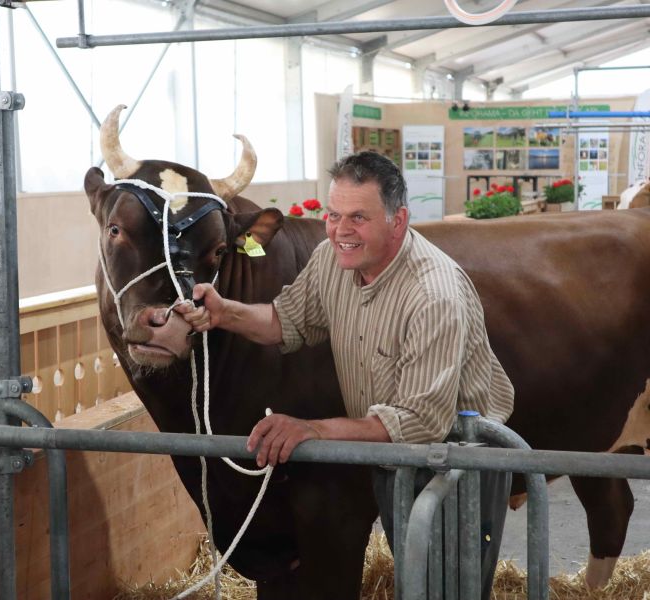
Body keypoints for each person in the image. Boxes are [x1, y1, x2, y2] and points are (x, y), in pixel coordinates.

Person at [176, 151, 514, 599]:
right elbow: (287, 320)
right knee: (414, 570)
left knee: (447, 584)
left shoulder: (434, 295)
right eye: (333, 214)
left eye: (359, 217)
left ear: (398, 221)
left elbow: (417, 423)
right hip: (394, 454)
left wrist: (310, 430)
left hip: (456, 461)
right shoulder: (331, 260)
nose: (340, 230)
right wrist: (224, 313)